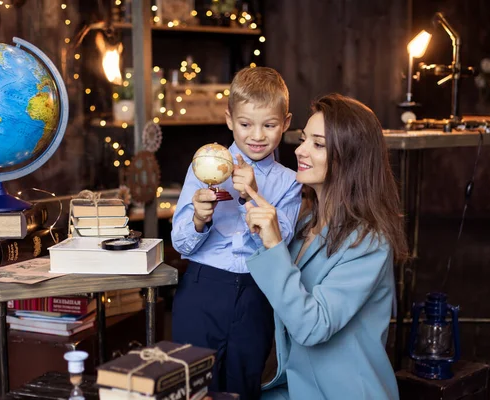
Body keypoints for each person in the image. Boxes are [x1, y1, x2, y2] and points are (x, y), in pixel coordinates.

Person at [243, 93, 408, 400]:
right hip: (293, 388)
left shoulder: (369, 241)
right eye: (304, 139)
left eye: (318, 144)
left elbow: (312, 326)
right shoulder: (305, 224)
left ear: (350, 157)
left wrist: (274, 242)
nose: (300, 150)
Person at [171, 67, 303, 400]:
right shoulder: (206, 165)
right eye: (245, 124)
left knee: (243, 384)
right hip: (203, 287)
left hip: (256, 294)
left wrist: (251, 196)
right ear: (229, 119)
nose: (257, 136)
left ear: (285, 123)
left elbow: (279, 243)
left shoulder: (289, 182)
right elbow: (180, 242)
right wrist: (199, 220)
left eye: (269, 125)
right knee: (192, 386)